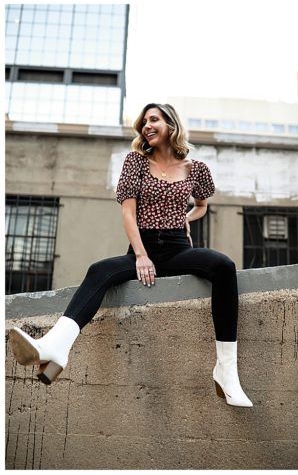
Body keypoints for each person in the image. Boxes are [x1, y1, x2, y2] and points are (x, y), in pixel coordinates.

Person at [6, 103, 252, 407]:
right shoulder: (135, 162)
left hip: (177, 250)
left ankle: (226, 372)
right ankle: (56, 348)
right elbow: (128, 212)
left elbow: (202, 205)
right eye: (143, 122)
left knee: (224, 266)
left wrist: (185, 219)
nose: (146, 126)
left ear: (171, 125)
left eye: (154, 120)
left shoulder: (195, 169)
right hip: (142, 248)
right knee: (99, 270)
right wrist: (141, 255)